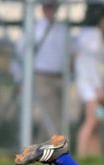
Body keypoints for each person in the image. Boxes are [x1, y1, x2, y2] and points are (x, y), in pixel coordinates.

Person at [10, 1, 70, 142]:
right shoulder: (35, 28)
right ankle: (51, 149)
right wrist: (18, 77)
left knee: (57, 116)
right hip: (41, 75)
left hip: (60, 76)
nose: (50, 10)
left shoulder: (61, 28)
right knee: (50, 115)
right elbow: (19, 53)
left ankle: (43, 149)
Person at [74, 3, 104, 158]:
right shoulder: (93, 36)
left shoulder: (89, 35)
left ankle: (93, 155)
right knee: (92, 120)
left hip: (94, 84)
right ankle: (81, 154)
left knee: (98, 119)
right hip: (91, 86)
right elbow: (93, 65)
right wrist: (98, 88)